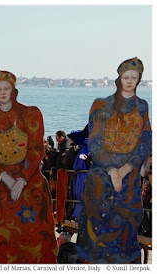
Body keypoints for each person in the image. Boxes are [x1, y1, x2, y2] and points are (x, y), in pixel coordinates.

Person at [76, 57, 152, 264]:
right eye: (126, 77)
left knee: (126, 230)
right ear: (119, 78)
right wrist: (111, 169)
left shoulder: (142, 106)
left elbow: (146, 141)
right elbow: (95, 142)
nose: (129, 81)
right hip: (101, 177)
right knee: (95, 232)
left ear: (139, 80)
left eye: (133, 77)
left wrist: (126, 168)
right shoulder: (101, 105)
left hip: (130, 181)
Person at [0, 70, 57, 263]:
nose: (3, 92)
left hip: (31, 187)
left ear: (13, 90)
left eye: (6, 88)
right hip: (2, 190)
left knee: (36, 237)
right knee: (6, 240)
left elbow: (36, 149)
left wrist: (21, 180)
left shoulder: (30, 113)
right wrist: (5, 177)